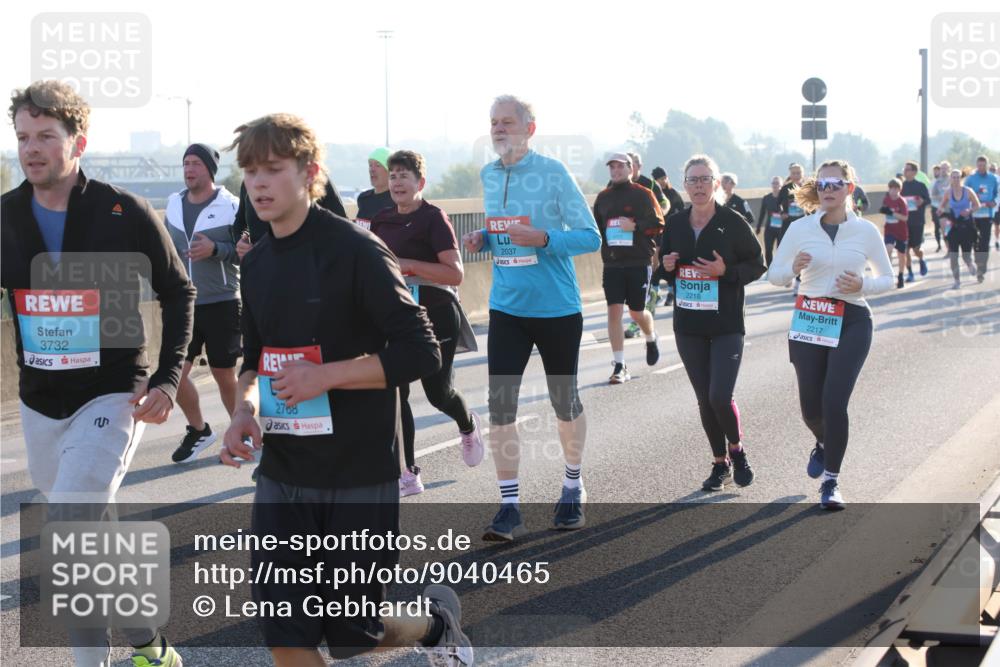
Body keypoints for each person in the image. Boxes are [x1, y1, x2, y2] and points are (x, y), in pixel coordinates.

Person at [220, 113, 472, 666]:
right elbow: (256, 360)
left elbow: (420, 350)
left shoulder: (357, 250)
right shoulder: (257, 263)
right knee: (285, 629)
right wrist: (244, 410)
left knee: (355, 632)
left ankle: (435, 626)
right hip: (284, 470)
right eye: (250, 172)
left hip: (357, 471)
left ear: (308, 173)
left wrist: (326, 375)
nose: (258, 183)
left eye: (272, 169)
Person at [1, 80, 193, 666]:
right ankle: (149, 643)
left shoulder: (123, 210)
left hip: (113, 395)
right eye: (22, 137)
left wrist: (165, 380)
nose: (31, 149)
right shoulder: (5, 216)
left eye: (46, 136)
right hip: (40, 403)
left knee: (70, 523)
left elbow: (179, 290)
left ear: (78, 141)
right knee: (93, 529)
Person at [461, 95, 601, 540]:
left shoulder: (554, 174)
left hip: (557, 308)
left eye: (507, 122)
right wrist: (484, 236)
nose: (499, 129)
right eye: (493, 123)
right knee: (500, 407)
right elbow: (504, 230)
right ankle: (508, 507)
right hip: (507, 308)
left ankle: (573, 486)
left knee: (565, 403)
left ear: (529, 129)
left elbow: (590, 237)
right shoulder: (488, 174)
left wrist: (543, 238)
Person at [768, 160, 893, 510]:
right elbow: (773, 275)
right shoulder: (799, 229)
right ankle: (824, 443)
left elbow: (888, 278)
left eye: (836, 184)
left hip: (852, 319)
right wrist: (791, 269)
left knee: (834, 402)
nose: (828, 190)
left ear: (850, 189)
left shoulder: (865, 231)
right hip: (810, 317)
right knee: (811, 407)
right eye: (822, 184)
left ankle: (831, 482)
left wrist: (862, 283)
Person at [370, 150, 484, 497]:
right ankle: (407, 471)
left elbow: (455, 274)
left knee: (438, 394)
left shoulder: (434, 218)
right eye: (393, 176)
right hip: (397, 316)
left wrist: (408, 264)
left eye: (405, 176)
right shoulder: (381, 221)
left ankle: (467, 425)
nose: (397, 182)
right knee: (396, 393)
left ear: (420, 182)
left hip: (436, 312)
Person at [659, 154, 765, 492]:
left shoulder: (732, 222)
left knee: (720, 395)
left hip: (726, 324)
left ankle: (738, 451)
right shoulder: (675, 224)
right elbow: (662, 270)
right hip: (688, 324)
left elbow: (757, 264)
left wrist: (727, 273)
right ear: (684, 185)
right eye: (693, 180)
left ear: (716, 184)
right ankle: (720, 463)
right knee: (704, 398)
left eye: (705, 179)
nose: (699, 185)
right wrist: (667, 264)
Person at [163, 143, 242, 463]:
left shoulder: (231, 206)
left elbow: (246, 251)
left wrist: (216, 249)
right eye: (185, 163)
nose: (189, 169)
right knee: (174, 373)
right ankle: (199, 430)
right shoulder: (173, 204)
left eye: (195, 163)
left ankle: (244, 432)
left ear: (210, 169)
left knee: (225, 374)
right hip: (184, 303)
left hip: (223, 301)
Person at [593, 152, 665, 383]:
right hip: (613, 263)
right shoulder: (603, 198)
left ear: (630, 169)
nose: (616, 171)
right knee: (614, 311)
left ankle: (651, 336)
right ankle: (620, 365)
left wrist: (634, 225)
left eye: (620, 167)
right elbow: (597, 229)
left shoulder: (644, 194)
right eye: (612, 168)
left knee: (636, 312)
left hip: (638, 261)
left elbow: (659, 223)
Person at [234, 172, 346, 256]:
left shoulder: (315, 178)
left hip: (310, 274)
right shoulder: (250, 182)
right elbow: (240, 224)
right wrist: (242, 242)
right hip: (262, 273)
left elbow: (341, 227)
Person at [623, 152, 668, 339]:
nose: (627, 167)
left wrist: (657, 216)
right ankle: (649, 304)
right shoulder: (616, 185)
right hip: (627, 239)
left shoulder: (650, 184)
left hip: (649, 236)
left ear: (638, 167)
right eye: (625, 164)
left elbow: (665, 203)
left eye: (631, 164)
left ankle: (637, 322)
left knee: (645, 279)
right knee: (631, 283)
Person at [938, 168, 982, 288]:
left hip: (966, 227)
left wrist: (969, 210)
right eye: (954, 177)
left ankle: (971, 265)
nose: (956, 179)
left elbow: (977, 205)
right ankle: (957, 281)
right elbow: (942, 206)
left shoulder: (968, 191)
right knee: (953, 256)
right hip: (953, 227)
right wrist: (940, 210)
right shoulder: (948, 192)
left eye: (958, 177)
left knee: (966, 256)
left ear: (961, 178)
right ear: (951, 179)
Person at [964, 156, 999, 283]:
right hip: (974, 215)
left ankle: (981, 268)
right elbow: (965, 193)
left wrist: (994, 202)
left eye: (983, 165)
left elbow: (998, 193)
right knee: (974, 241)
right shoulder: (971, 179)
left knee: (984, 242)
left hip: (987, 215)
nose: (981, 167)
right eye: (979, 165)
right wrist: (969, 206)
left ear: (987, 165)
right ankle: (978, 261)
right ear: (976, 165)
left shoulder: (993, 178)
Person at [901, 160, 931, 280]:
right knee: (906, 248)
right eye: (904, 169)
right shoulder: (901, 187)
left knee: (916, 248)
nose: (905, 171)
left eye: (907, 169)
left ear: (914, 172)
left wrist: (922, 201)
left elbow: (928, 200)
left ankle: (921, 259)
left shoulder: (920, 186)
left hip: (917, 221)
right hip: (904, 222)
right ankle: (910, 273)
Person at [880, 179, 911, 288]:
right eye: (891, 188)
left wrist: (892, 213)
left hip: (901, 231)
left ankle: (901, 275)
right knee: (888, 249)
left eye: (896, 189)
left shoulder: (902, 201)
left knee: (901, 255)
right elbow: (884, 209)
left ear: (899, 189)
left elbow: (905, 218)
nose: (893, 191)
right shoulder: (886, 199)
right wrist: (884, 210)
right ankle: (889, 274)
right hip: (889, 229)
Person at [355, 146, 394, 230]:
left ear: (390, 171)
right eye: (370, 165)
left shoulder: (397, 201)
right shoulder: (363, 198)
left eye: (378, 165)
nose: (372, 169)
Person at [757, 176, 783, 266]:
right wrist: (758, 226)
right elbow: (762, 213)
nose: (775, 185)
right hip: (769, 228)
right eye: (773, 183)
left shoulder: (785, 198)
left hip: (781, 228)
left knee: (780, 249)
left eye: (777, 183)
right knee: (768, 249)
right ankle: (770, 269)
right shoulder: (766, 198)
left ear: (781, 185)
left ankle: (779, 268)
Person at [778, 163, 806, 240]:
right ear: (790, 175)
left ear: (802, 174)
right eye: (794, 173)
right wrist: (782, 213)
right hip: (788, 224)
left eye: (798, 173)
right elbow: (777, 204)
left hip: (804, 223)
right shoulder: (785, 189)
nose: (796, 176)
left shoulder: (807, 188)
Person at [931, 161, 951, 252]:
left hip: (953, 209)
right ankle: (948, 250)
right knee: (944, 230)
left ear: (949, 169)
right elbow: (933, 195)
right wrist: (941, 197)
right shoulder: (937, 182)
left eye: (945, 168)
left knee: (954, 230)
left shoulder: (953, 179)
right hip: (942, 209)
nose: (943, 170)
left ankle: (955, 248)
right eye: (942, 168)